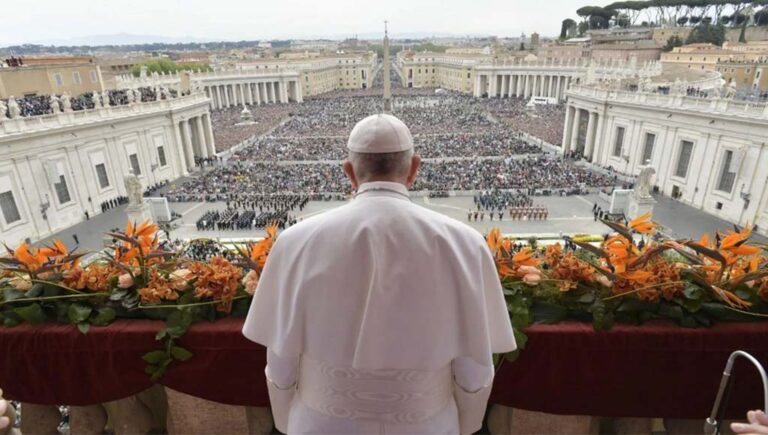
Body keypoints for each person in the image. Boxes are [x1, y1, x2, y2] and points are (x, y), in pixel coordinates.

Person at [243, 113, 515, 434]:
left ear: (349, 173)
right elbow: (474, 368)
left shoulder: (294, 242)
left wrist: (288, 420)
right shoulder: (466, 244)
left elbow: (281, 362)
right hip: (427, 424)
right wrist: (465, 423)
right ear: (414, 168)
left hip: (320, 423)